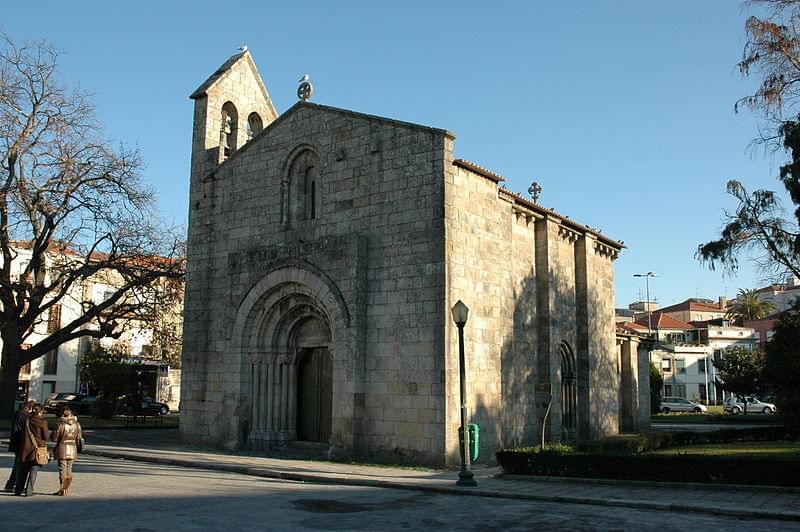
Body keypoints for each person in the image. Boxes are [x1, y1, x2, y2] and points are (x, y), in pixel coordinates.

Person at [15, 403, 49, 497]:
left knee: (23, 471)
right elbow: (46, 436)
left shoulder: (27, 421)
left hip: (25, 448)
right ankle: (29, 491)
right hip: (37, 449)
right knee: (33, 470)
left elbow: (22, 433)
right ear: (40, 412)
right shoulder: (42, 422)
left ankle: (18, 490)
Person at [50, 406, 82, 496]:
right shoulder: (77, 424)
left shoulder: (61, 424)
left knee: (62, 469)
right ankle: (66, 488)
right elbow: (79, 437)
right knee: (69, 469)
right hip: (72, 448)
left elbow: (55, 438)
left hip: (62, 447)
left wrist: (53, 433)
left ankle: (62, 489)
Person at [4, 400, 35, 493]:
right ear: (29, 408)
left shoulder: (17, 414)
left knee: (17, 464)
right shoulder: (25, 416)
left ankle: (11, 484)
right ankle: (16, 484)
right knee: (20, 465)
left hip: (15, 441)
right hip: (21, 443)